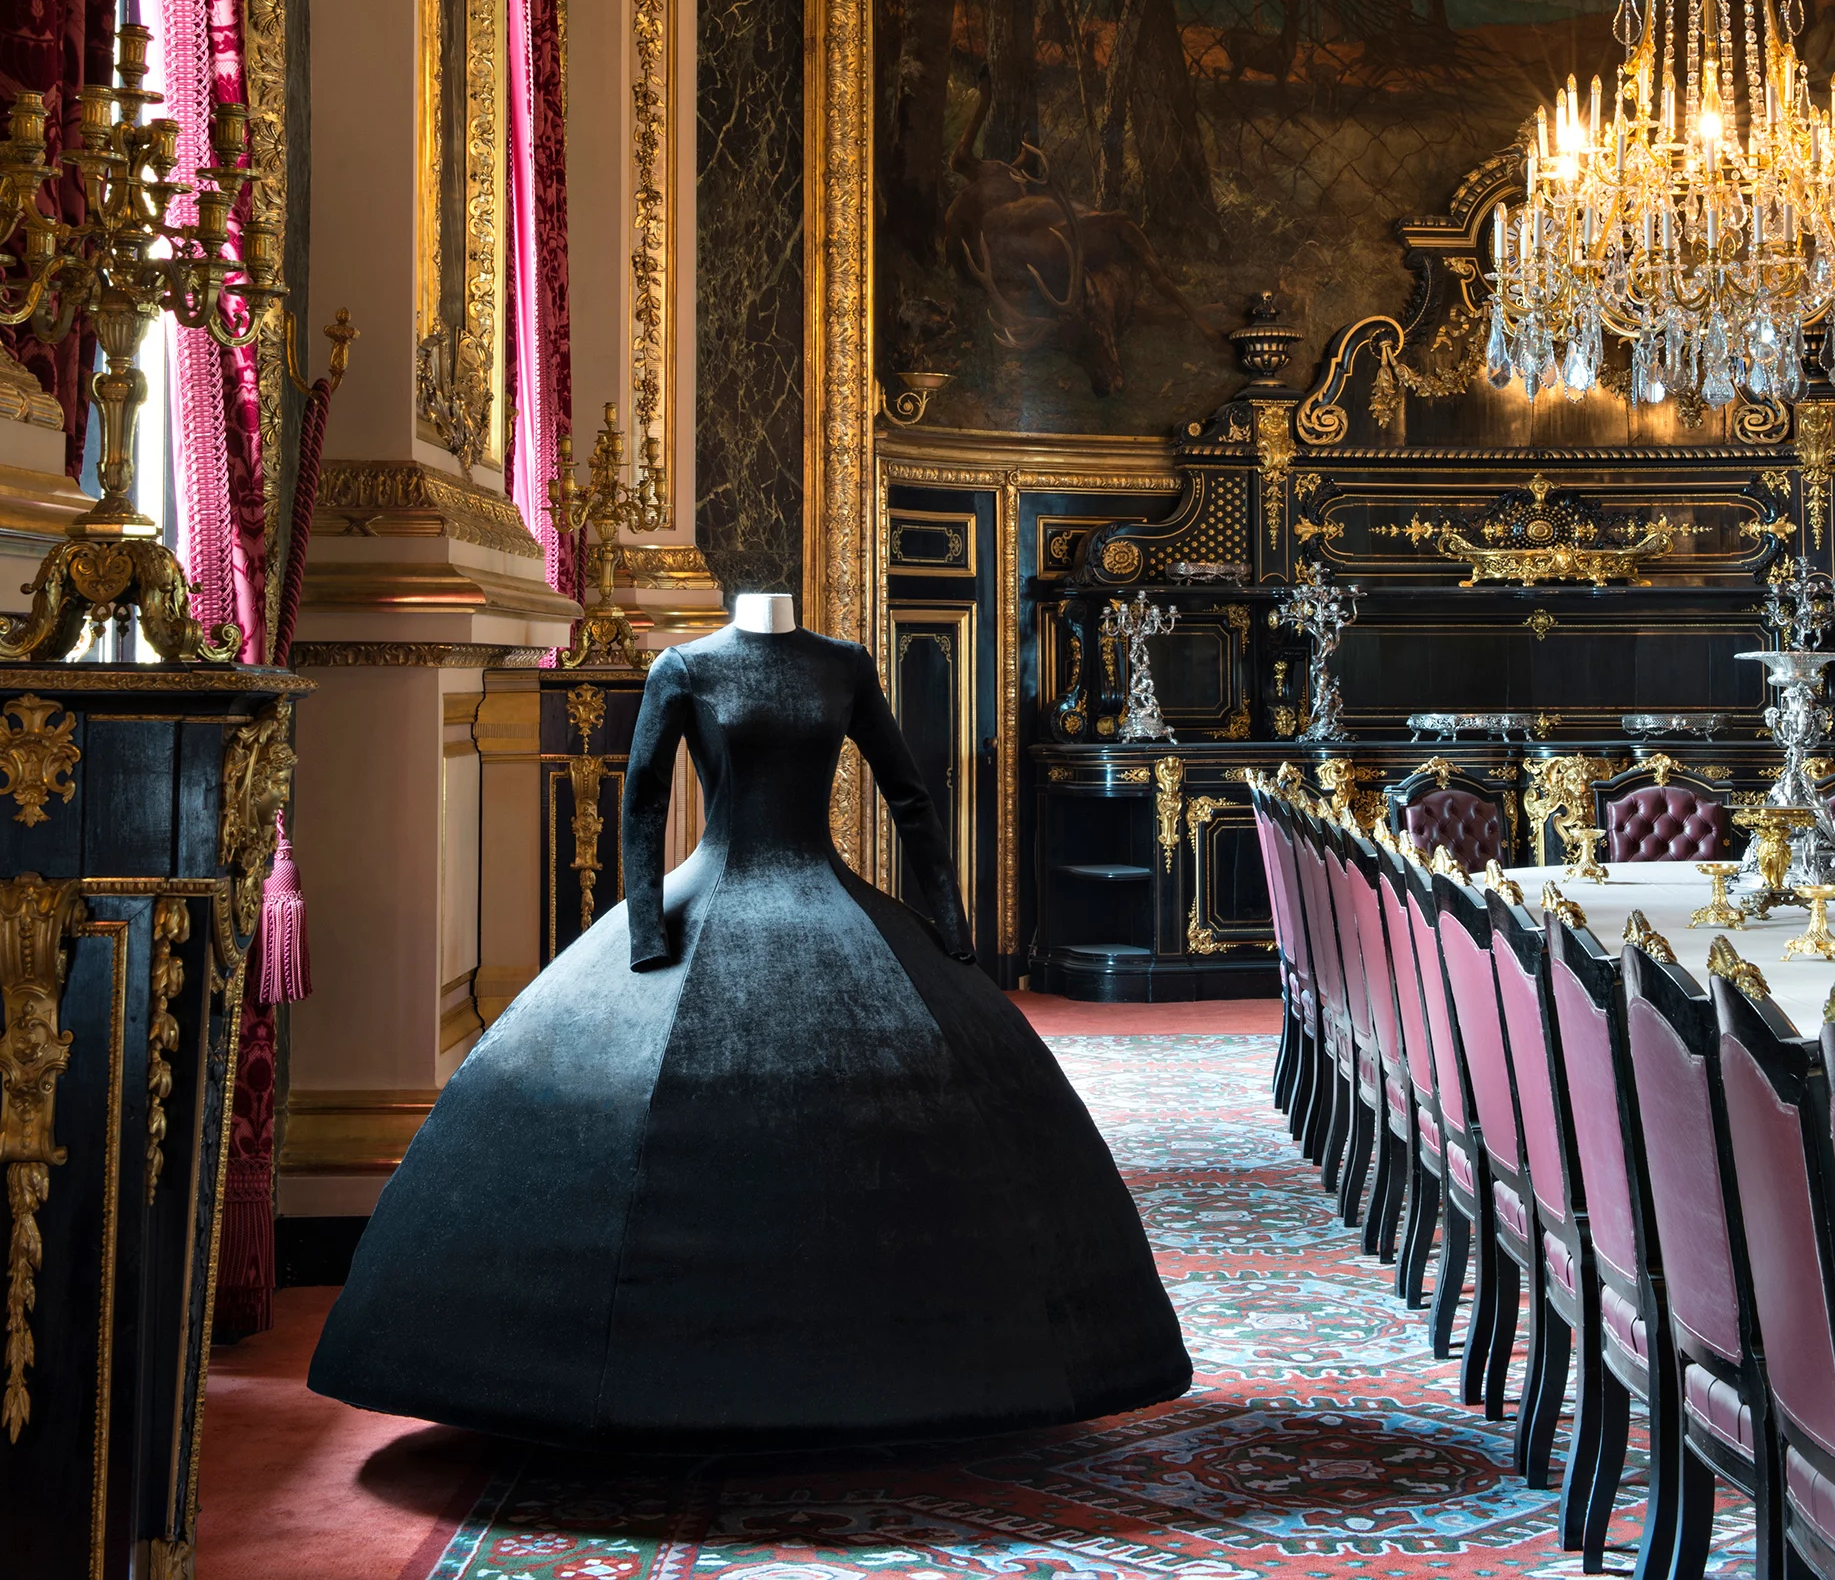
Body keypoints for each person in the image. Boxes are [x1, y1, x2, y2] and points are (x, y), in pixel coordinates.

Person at [308, 593, 1192, 1450]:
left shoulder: (842, 667)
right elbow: (645, 800)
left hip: (830, 888)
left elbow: (909, 794)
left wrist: (951, 928)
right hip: (707, 895)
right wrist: (649, 930)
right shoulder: (685, 667)